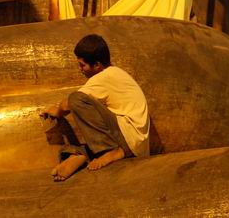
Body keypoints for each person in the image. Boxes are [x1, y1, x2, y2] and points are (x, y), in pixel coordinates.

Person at [43, 34, 150, 181]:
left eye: (83, 65)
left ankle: (112, 151)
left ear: (97, 65)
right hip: (134, 142)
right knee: (73, 149)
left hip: (130, 137)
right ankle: (79, 155)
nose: (80, 69)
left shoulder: (104, 77)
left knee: (76, 99)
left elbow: (67, 104)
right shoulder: (115, 73)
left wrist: (57, 111)